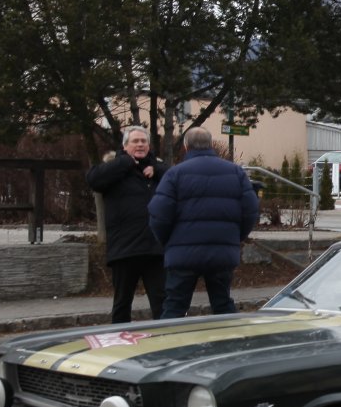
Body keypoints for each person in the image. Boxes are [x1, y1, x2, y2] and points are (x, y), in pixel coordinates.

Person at [148, 126, 261, 318]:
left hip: (182, 253)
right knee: (222, 303)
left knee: (175, 305)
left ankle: (169, 336)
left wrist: (167, 241)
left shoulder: (175, 174)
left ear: (186, 146)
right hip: (222, 251)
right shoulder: (236, 172)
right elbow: (250, 211)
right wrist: (235, 237)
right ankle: (231, 336)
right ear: (211, 144)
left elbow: (159, 214)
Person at [85, 125, 167, 323]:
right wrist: (125, 162)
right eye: (135, 141)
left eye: (143, 141)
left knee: (162, 302)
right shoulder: (114, 166)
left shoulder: (157, 168)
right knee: (122, 303)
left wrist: (157, 170)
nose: (140, 145)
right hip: (125, 249)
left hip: (154, 248)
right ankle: (119, 335)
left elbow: (179, 180)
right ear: (125, 146)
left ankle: (166, 336)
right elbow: (94, 180)